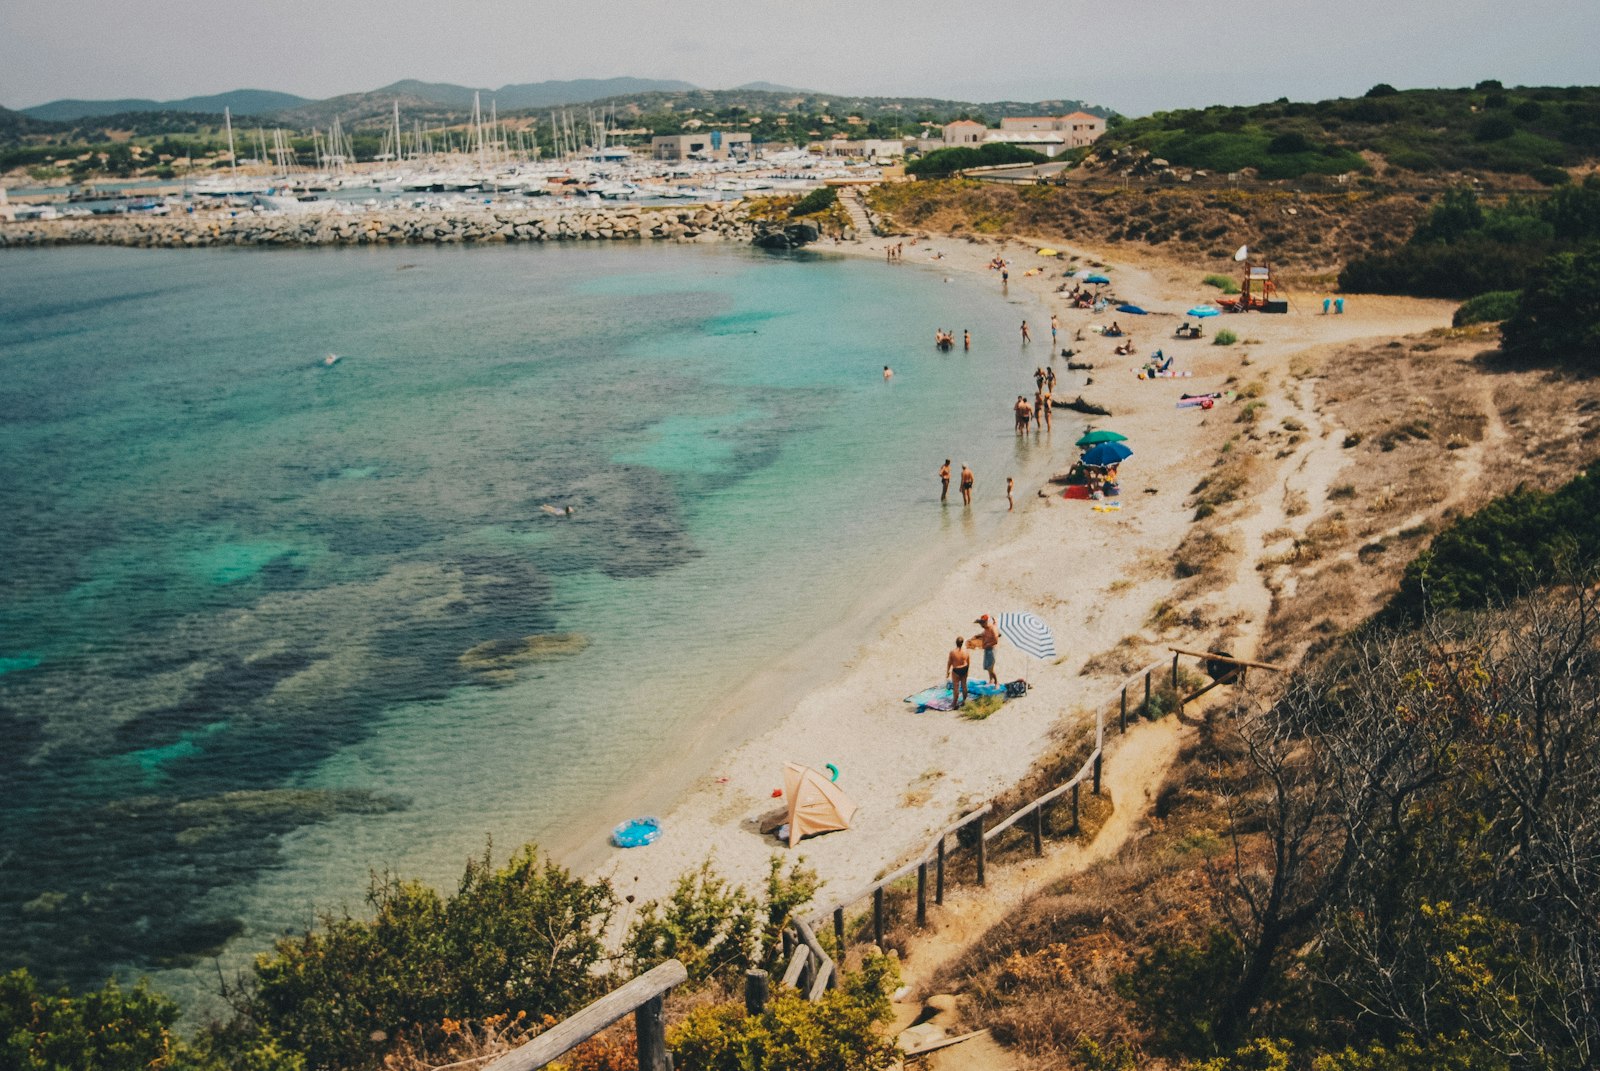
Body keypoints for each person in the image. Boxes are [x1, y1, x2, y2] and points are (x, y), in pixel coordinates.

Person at [971, 614, 1001, 685]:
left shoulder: (992, 629)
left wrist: (987, 645)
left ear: (986, 622)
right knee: (987, 667)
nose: (981, 625)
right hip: (987, 649)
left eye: (982, 623)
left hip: (991, 650)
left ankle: (997, 682)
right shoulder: (986, 628)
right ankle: (991, 680)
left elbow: (995, 641)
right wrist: (978, 636)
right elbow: (984, 634)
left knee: (990, 668)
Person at [947, 636, 971, 707]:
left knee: (956, 686)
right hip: (964, 668)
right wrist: (967, 670)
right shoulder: (966, 651)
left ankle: (954, 702)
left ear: (956, 643)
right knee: (964, 685)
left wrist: (947, 671)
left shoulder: (952, 652)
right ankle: (964, 700)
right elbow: (968, 661)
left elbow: (949, 662)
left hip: (956, 670)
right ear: (962, 643)